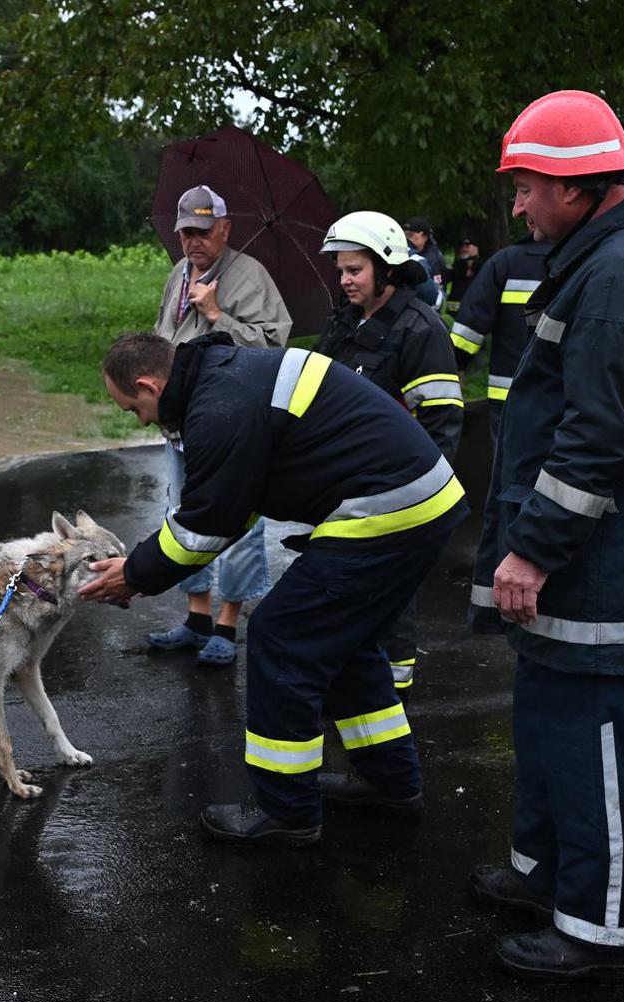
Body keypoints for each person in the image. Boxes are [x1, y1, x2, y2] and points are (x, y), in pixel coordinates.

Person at [467, 91, 624, 983]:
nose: (519, 204)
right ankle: (544, 876)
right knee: (549, 725)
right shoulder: (614, 253)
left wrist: (531, 550)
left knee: (597, 740)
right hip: (592, 558)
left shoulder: (612, 279)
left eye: (527, 186)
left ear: (574, 185)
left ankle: (603, 934)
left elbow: (597, 439)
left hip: (604, 570)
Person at [79, 331, 468, 842]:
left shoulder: (217, 409)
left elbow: (207, 523)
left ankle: (287, 811)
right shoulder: (227, 378)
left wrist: (133, 575)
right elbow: (231, 507)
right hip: (418, 504)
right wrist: (143, 570)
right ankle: (389, 782)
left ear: (150, 385)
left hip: (388, 511)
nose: (143, 421)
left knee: (282, 637)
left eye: (134, 408)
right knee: (345, 644)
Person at [317, 210, 462, 702]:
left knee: (391, 600)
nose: (345, 280)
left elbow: (442, 424)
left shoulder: (420, 329)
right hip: (342, 491)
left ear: (386, 267)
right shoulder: (344, 322)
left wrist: (416, 499)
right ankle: (352, 689)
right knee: (344, 593)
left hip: (396, 494)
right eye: (340, 270)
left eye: (354, 270)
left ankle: (392, 700)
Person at [148, 185, 293, 666]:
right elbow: (163, 337)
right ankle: (196, 616)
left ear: (226, 229)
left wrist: (216, 314)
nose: (194, 241)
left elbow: (271, 349)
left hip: (232, 429)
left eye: (203, 232)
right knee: (182, 514)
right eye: (186, 231)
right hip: (181, 427)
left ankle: (229, 624)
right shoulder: (178, 274)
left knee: (239, 522)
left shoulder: (251, 276)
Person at [449, 226, 549, 435]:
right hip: (568, 400)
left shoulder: (506, 263)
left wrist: (454, 365)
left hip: (509, 395)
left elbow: (466, 333)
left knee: (509, 464)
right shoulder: (593, 258)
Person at [403, 216, 446, 310]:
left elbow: (438, 295)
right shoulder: (407, 254)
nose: (406, 240)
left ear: (424, 236)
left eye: (410, 235)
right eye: (404, 236)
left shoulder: (433, 258)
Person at [445, 239, 482, 315]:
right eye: (462, 247)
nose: (464, 249)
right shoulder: (458, 263)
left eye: (467, 247)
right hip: (455, 299)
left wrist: (474, 257)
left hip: (468, 299)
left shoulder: (477, 262)